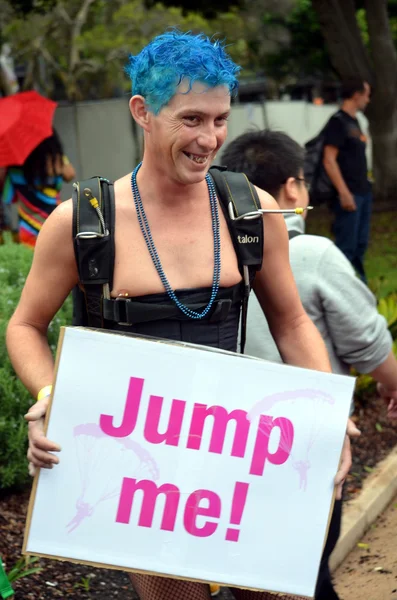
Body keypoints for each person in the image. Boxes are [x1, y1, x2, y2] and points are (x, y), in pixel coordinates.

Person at [7, 31, 354, 600]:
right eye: (191, 119)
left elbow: (291, 323)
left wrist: (327, 416)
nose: (210, 138)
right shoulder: (83, 223)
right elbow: (24, 326)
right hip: (144, 473)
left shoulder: (249, 210)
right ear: (142, 112)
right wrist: (52, 396)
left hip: (242, 458)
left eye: (220, 120)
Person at [222, 129, 397, 600]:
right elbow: (368, 343)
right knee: (309, 581)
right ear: (293, 188)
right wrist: (391, 385)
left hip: (229, 452)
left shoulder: (215, 261)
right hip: (307, 451)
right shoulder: (313, 254)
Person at [322, 78, 372, 283]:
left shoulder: (355, 121)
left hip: (363, 192)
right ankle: (338, 287)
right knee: (346, 247)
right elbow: (329, 160)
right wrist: (344, 193)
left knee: (360, 245)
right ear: (356, 94)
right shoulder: (337, 122)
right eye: (367, 94)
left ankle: (360, 285)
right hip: (349, 194)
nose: (368, 100)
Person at [0, 130, 76, 246]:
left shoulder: (15, 169)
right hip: (56, 223)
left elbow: (9, 197)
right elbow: (70, 174)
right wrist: (59, 156)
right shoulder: (54, 162)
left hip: (28, 229)